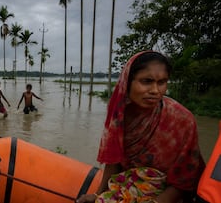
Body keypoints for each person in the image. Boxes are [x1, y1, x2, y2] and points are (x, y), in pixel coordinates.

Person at [76, 51, 205, 203]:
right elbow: (114, 162)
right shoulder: (119, 116)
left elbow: (184, 179)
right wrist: (98, 196)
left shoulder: (182, 120)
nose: (155, 91)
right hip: (125, 187)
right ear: (127, 82)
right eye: (146, 81)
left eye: (162, 82)